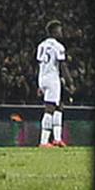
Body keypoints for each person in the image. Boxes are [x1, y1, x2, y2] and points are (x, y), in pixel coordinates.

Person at [36, 20, 68, 148]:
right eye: (59, 30)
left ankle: (57, 138)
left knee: (59, 106)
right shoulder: (58, 46)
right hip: (52, 78)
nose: (61, 32)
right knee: (49, 108)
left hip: (43, 77)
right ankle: (43, 141)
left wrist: (40, 84)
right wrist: (70, 81)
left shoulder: (41, 45)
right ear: (54, 32)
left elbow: (40, 64)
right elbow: (63, 65)